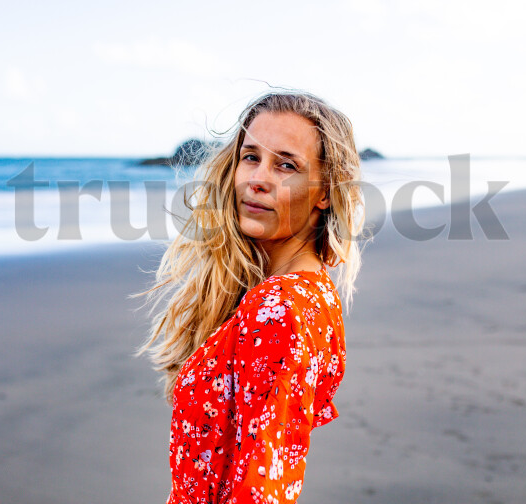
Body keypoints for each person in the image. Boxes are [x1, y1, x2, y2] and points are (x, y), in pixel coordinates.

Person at [137, 91, 365, 503]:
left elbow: (261, 489)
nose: (258, 179)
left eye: (286, 165)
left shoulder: (277, 309)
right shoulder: (317, 295)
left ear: (326, 192)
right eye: (250, 157)